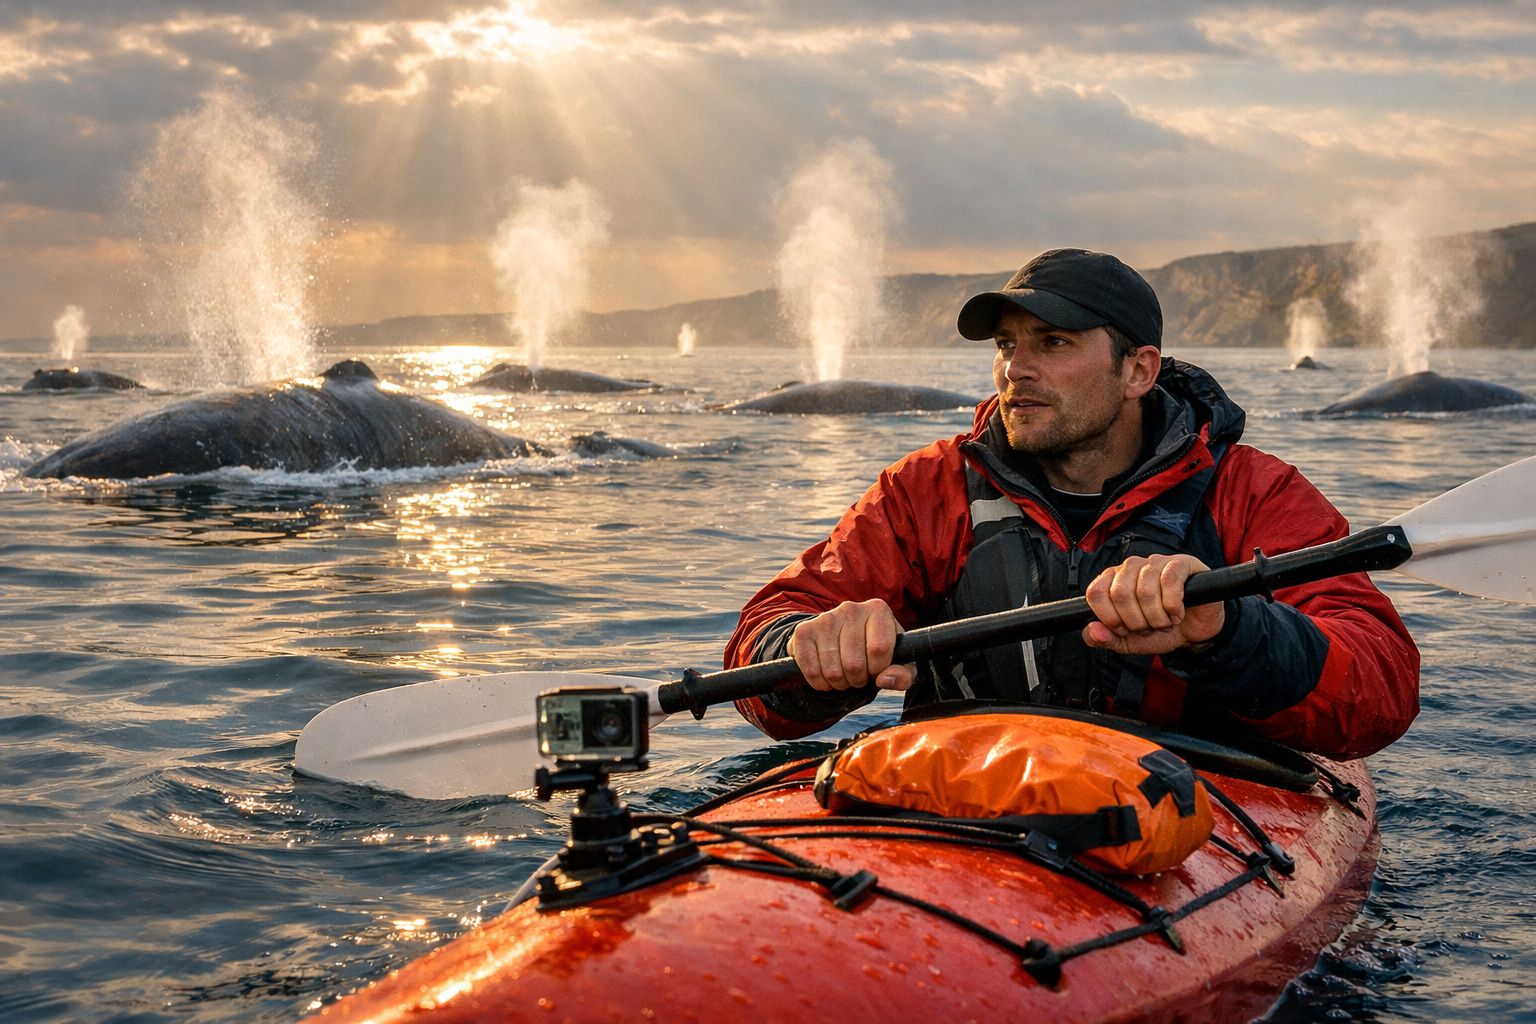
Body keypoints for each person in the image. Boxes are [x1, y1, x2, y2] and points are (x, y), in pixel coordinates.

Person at [724, 248, 1419, 759]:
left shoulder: (1256, 493)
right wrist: (810, 649)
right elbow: (759, 654)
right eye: (1006, 345)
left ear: (1138, 371)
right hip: (959, 797)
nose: (1015, 369)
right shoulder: (924, 489)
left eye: (1053, 343)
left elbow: (1381, 687)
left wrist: (1226, 629)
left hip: (1193, 811)